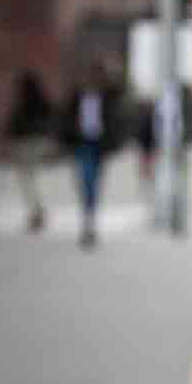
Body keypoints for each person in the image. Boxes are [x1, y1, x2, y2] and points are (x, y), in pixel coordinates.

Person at [60, 60, 122, 248]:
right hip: (82, 144)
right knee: (85, 180)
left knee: (94, 182)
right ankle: (87, 220)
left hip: (98, 145)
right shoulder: (77, 97)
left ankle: (90, 221)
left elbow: (119, 93)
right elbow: (66, 119)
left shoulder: (107, 97)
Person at [5, 68, 53, 233]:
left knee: (28, 179)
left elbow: (16, 124)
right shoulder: (37, 102)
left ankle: (37, 213)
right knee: (30, 179)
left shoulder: (28, 103)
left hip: (29, 143)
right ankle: (37, 212)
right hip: (33, 142)